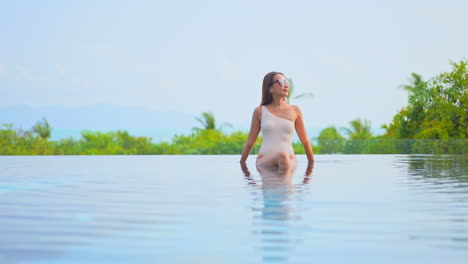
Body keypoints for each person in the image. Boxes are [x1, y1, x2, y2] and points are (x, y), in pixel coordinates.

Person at [240, 71, 315, 168]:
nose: (286, 85)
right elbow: (250, 142)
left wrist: (312, 166)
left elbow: (305, 141)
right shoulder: (259, 111)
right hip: (265, 162)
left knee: (283, 157)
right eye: (281, 82)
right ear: (270, 88)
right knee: (282, 156)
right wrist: (242, 165)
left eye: (286, 82)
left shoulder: (295, 110)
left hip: (289, 161)